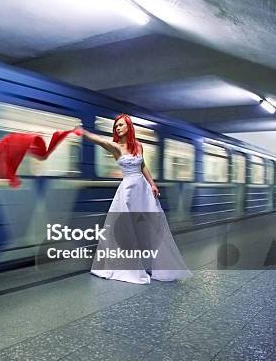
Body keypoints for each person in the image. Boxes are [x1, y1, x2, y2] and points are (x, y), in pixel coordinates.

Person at [80, 114, 192, 284]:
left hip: (143, 189)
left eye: (121, 125)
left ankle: (152, 264)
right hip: (127, 190)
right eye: (116, 125)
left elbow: (142, 166)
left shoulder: (138, 146)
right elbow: (100, 141)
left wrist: (153, 184)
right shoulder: (116, 147)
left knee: (151, 225)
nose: (118, 128)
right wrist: (83, 133)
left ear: (129, 127)